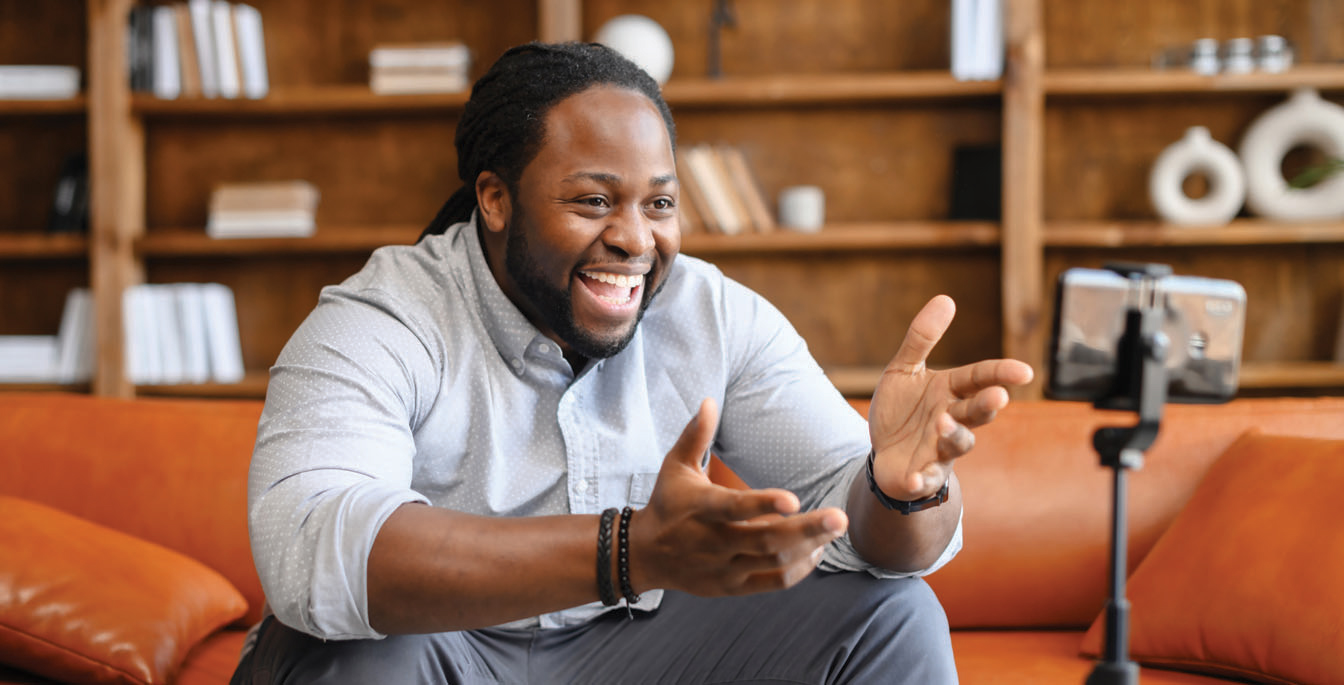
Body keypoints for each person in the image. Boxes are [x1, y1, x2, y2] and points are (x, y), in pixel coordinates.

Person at [232, 41, 1033, 685]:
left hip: (630, 648)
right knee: (354, 653)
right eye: (593, 201)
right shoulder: (382, 317)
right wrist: (628, 550)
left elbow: (872, 532)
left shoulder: (710, 313)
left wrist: (899, 492)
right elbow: (313, 547)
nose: (635, 239)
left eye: (659, 203)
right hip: (440, 649)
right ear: (495, 198)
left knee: (893, 613)